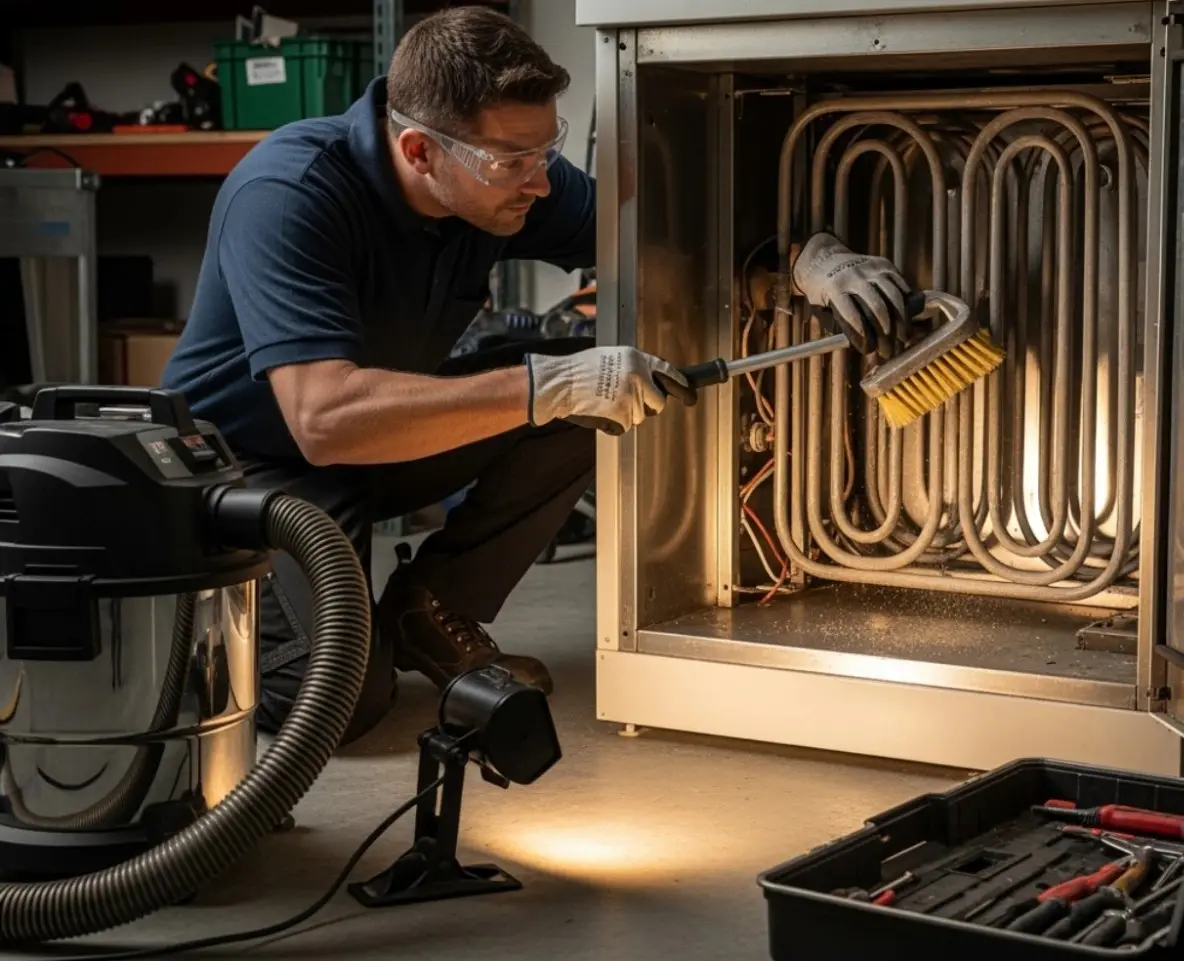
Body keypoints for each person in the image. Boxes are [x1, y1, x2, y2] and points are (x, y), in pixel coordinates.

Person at [161, 6, 912, 746]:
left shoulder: (500, 181)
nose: (541, 183)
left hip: (376, 444)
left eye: (544, 150)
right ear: (420, 151)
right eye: (512, 161)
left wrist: (805, 259)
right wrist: (545, 386)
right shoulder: (290, 194)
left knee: (591, 400)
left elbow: (666, 231)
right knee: (339, 705)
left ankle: (429, 610)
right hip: (251, 469)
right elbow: (324, 421)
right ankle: (201, 622)